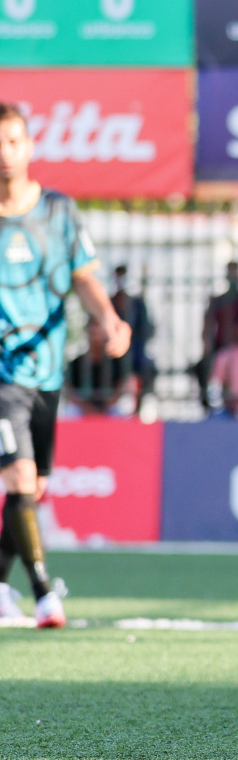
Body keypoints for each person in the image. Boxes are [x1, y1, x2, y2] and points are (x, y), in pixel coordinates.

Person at [0, 102, 130, 630]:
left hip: (47, 372)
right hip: (3, 374)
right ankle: (44, 593)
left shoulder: (58, 210)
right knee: (19, 480)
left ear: (29, 147)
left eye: (12, 142)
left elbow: (84, 277)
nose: (4, 154)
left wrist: (111, 319)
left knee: (32, 489)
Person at [197, 260, 238, 412]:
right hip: (221, 347)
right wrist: (207, 344)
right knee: (202, 366)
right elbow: (207, 325)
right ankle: (209, 406)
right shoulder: (218, 301)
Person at [109, 264, 156, 415]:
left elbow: (147, 328)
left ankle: (141, 403)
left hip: (135, 348)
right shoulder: (109, 301)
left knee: (146, 366)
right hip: (113, 351)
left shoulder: (137, 303)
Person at [65, 321, 133, 416]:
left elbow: (121, 387)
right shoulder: (76, 364)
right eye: (93, 333)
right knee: (70, 412)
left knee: (122, 411)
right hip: (83, 409)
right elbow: (69, 391)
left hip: (108, 409)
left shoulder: (115, 364)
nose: (96, 337)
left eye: (99, 333)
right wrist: (88, 409)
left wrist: (105, 408)